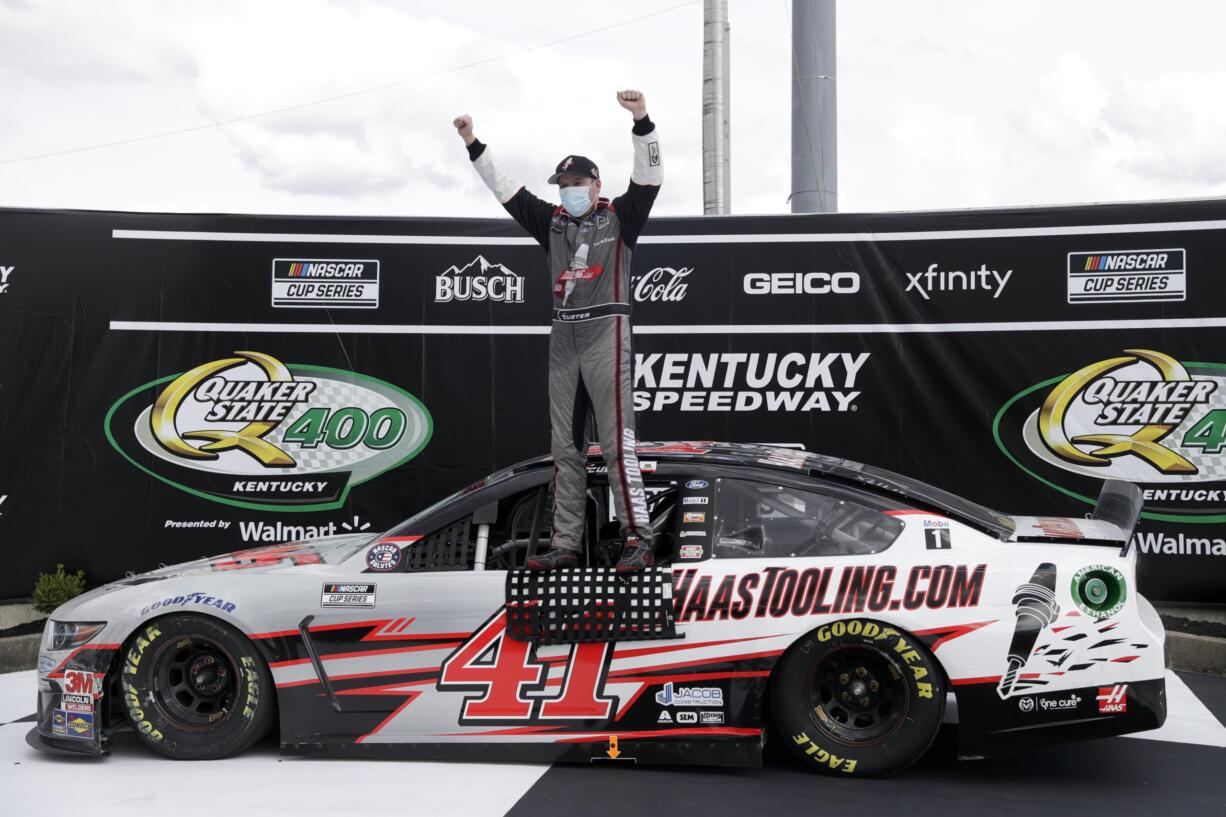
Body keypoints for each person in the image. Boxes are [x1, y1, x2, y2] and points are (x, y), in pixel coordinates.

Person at [453, 90, 663, 572]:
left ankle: (639, 537)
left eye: (576, 181)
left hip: (607, 334)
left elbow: (650, 177)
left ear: (595, 183)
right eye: (562, 182)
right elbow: (507, 190)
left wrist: (641, 120)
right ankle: (565, 543)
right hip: (564, 340)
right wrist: (473, 142)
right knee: (564, 449)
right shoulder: (550, 222)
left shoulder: (620, 217)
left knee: (616, 443)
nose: (568, 189)